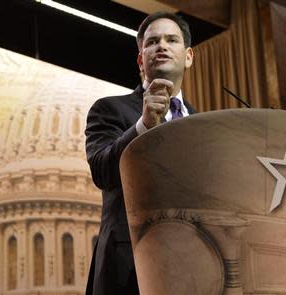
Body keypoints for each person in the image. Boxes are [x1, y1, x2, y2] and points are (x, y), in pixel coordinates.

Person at [84, 11, 195, 295]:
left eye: (172, 40)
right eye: (152, 41)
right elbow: (102, 171)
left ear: (188, 56)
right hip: (129, 266)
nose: (162, 46)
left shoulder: (203, 124)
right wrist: (144, 124)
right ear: (140, 60)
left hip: (194, 265)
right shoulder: (109, 109)